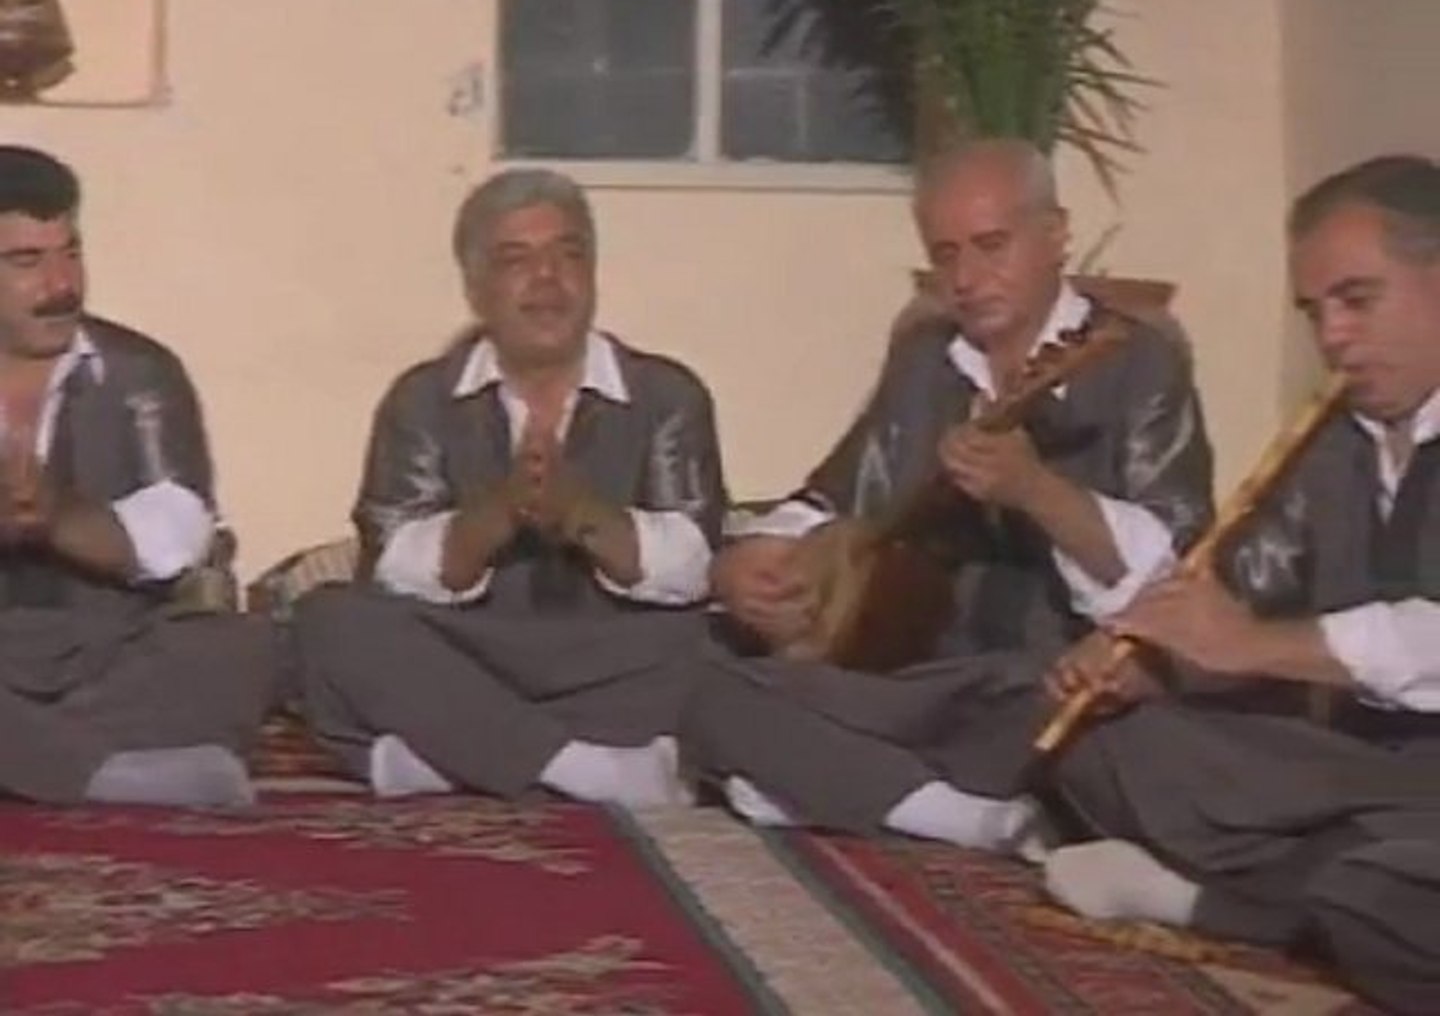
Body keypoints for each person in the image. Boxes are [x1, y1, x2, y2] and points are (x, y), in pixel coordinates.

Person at [682, 139, 1214, 851]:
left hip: (1045, 684)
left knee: (1124, 741)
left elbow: (1177, 570)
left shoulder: (1140, 360)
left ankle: (848, 788)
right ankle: (967, 817)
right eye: (946, 255)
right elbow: (839, 495)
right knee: (710, 686)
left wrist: (1037, 490)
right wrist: (747, 559)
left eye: (991, 246)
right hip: (917, 676)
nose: (967, 278)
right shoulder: (928, 359)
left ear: (1055, 235)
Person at [1042, 154, 1440, 1015]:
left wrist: (1251, 645)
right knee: (1106, 745)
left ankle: (1214, 900)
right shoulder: (1339, 437)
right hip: (1366, 774)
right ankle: (1330, 879)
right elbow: (1248, 582)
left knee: (1385, 892)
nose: (1333, 336)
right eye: (1315, 312)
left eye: (1357, 300)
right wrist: (1151, 662)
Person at [293, 168, 726, 808]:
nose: (547, 279)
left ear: (593, 274)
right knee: (331, 623)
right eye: (516, 260)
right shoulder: (424, 398)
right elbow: (391, 567)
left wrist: (581, 513)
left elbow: (692, 567)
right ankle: (586, 771)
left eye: (568, 255)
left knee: (712, 647)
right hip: (470, 652)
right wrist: (497, 513)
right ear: (476, 289)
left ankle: (452, 758)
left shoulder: (667, 395)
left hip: (613, 654)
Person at [0, 145, 276, 807]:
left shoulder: (140, 373)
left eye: (71, 253)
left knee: (242, 650)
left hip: (106, 653)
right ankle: (100, 774)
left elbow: (178, 535)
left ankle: (32, 758)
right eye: (27, 262)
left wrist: (59, 517)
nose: (61, 285)